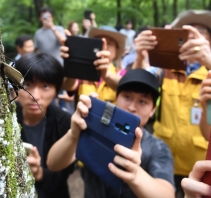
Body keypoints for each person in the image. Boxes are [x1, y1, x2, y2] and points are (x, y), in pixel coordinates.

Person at [47, 69, 175, 198]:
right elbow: (53, 164)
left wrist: (135, 174)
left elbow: (167, 193)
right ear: (116, 98)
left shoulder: (157, 147)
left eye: (142, 101)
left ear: (153, 109)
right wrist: (73, 135)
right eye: (127, 97)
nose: (132, 107)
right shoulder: (95, 129)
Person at [132, 10, 211, 197]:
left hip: (198, 165)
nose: (193, 39)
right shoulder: (165, 70)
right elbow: (137, 88)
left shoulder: (209, 75)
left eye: (200, 33)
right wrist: (140, 57)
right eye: (187, 34)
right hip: (163, 160)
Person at [14, 52, 74, 198]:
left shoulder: (65, 121)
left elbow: (66, 171)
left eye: (45, 86)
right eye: (27, 85)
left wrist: (40, 174)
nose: (34, 95)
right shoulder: (6, 116)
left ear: (56, 90)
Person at [62, 26, 126, 103]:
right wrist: (72, 59)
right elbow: (68, 87)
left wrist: (105, 74)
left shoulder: (122, 74)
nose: (104, 46)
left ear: (117, 50)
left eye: (109, 43)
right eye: (99, 42)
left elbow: (127, 88)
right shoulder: (83, 71)